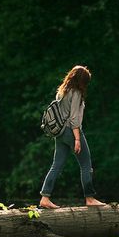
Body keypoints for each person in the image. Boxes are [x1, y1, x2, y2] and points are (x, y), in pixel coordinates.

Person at [40, 65, 106, 209]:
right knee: (86, 164)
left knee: (56, 165)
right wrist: (77, 139)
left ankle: (45, 197)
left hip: (60, 133)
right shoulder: (76, 93)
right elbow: (74, 118)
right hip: (71, 131)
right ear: (82, 81)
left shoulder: (62, 91)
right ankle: (89, 198)